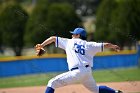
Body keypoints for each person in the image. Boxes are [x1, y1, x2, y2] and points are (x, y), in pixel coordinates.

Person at [37, 27, 122, 93]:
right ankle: (115, 92)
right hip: (87, 72)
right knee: (96, 89)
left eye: (74, 34)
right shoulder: (90, 44)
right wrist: (114, 46)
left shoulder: (68, 42)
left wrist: (41, 45)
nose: (72, 35)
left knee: (52, 83)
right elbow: (106, 45)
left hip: (76, 72)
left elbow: (53, 38)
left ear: (78, 35)